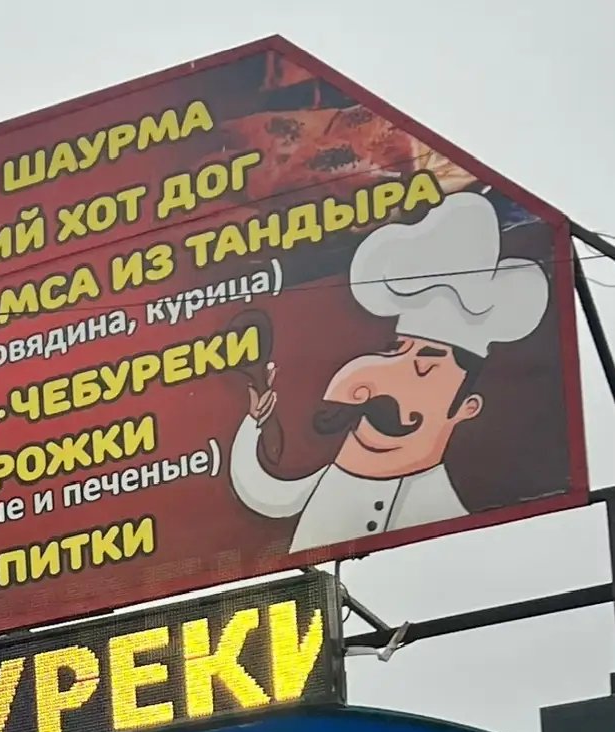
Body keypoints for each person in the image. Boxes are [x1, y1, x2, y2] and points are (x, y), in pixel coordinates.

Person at [229, 192, 550, 554]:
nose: (366, 392)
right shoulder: (331, 479)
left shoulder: (453, 518)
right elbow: (267, 496)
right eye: (395, 351)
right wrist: (254, 421)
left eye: (425, 364)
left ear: (467, 407)